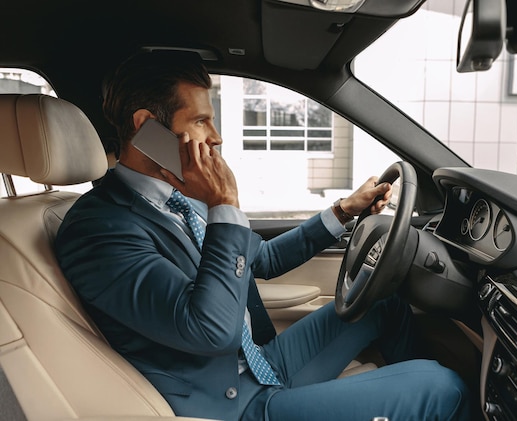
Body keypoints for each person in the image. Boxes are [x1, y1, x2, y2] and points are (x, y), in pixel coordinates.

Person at [55, 51, 469, 421]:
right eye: (201, 120)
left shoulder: (184, 196)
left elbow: (262, 260)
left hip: (260, 364)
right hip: (230, 404)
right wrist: (224, 205)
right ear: (147, 127)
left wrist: (345, 211)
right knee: (441, 386)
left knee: (383, 299)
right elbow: (209, 330)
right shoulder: (98, 231)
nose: (216, 136)